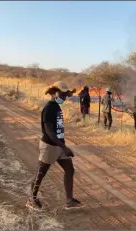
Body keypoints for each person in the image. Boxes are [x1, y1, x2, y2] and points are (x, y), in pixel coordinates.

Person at [27, 81, 83, 211]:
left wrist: (70, 92)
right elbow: (50, 132)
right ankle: (32, 199)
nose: (64, 97)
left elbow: (67, 94)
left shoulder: (56, 104)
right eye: (61, 94)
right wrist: (64, 147)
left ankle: (69, 200)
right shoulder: (49, 109)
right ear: (53, 93)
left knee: (70, 169)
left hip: (59, 144)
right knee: (40, 174)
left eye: (65, 94)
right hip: (50, 145)